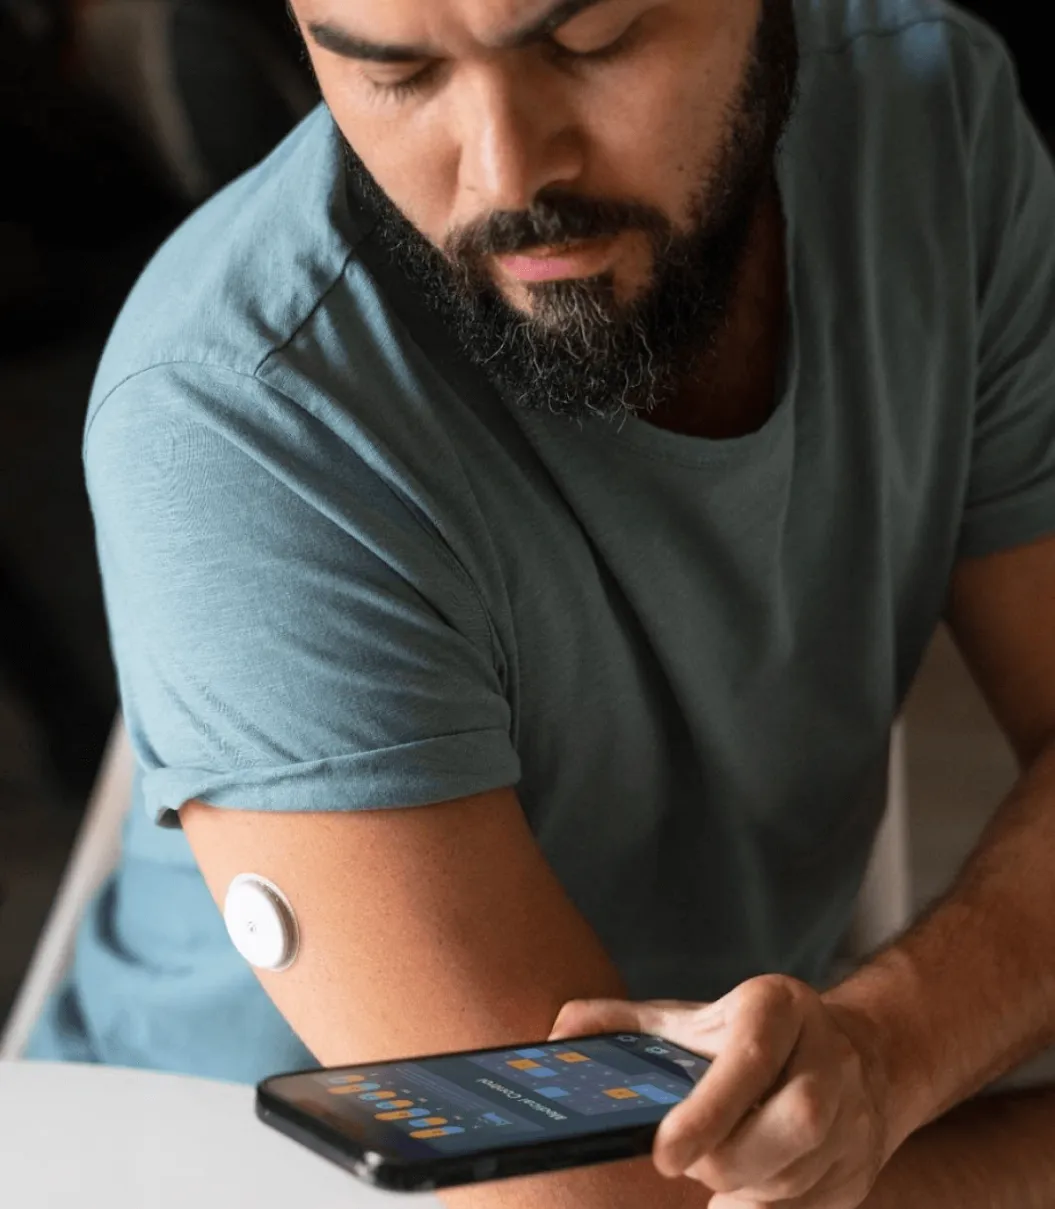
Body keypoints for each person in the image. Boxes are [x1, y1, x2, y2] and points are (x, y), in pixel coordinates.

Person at [28, 0, 1055, 1204]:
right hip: (197, 1163)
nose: (508, 172)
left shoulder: (927, 118)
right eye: (395, 73)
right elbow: (584, 1206)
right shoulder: (233, 413)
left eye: (592, 41)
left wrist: (891, 1047)